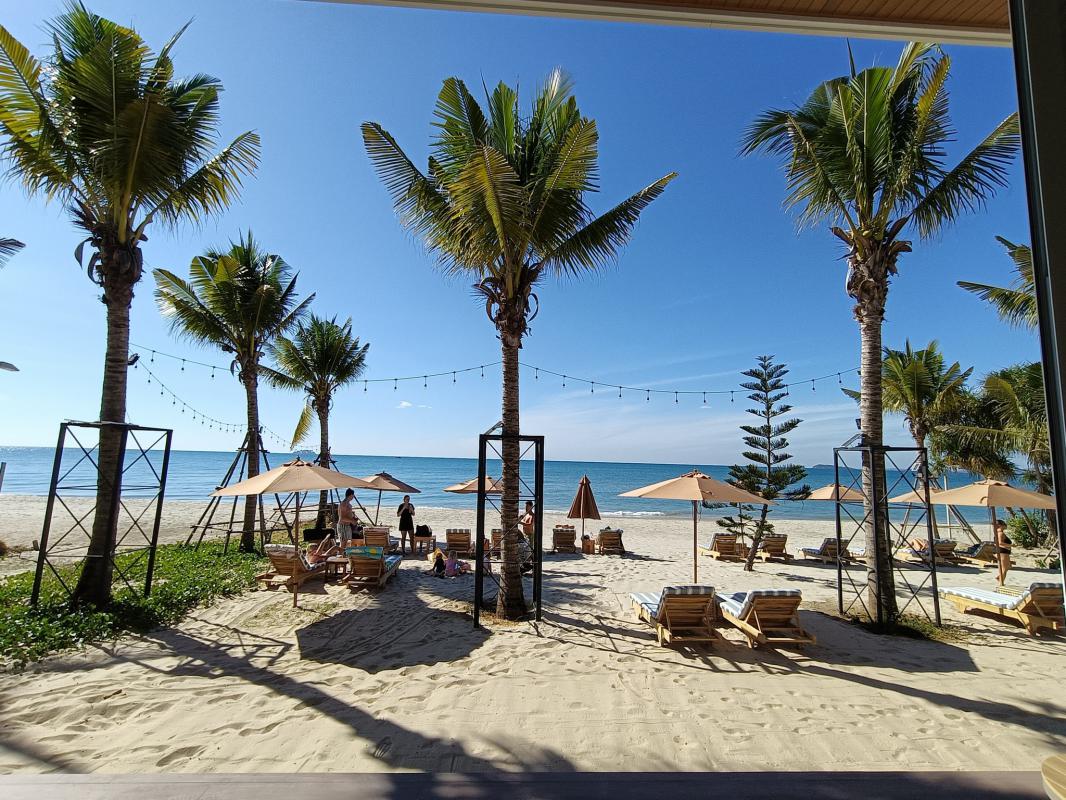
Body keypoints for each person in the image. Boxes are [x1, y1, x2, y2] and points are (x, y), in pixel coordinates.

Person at [994, 518, 1012, 585]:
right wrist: (1011, 545)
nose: (1006, 526)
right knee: (1005, 568)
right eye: (1004, 524)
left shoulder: (997, 533)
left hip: (1003, 552)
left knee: (1007, 566)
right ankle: (1001, 582)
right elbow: (1000, 543)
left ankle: (999, 578)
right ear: (1001, 525)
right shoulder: (1000, 533)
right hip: (1003, 552)